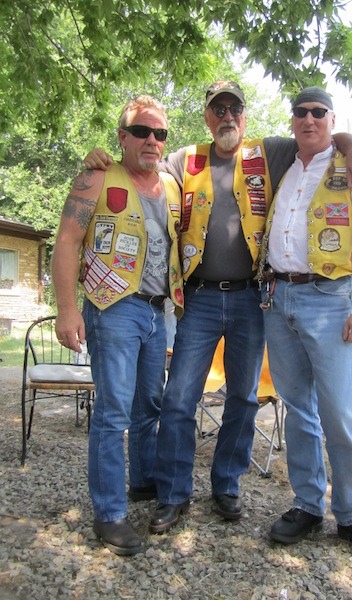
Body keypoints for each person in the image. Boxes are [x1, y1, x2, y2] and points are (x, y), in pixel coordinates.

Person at [84, 80, 352, 534]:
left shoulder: (270, 152)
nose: (226, 117)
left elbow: (317, 134)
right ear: (207, 117)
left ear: (244, 114)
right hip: (198, 299)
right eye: (218, 109)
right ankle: (173, 493)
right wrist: (99, 159)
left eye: (234, 109)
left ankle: (226, 486)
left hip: (251, 299)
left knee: (243, 397)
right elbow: (141, 162)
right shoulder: (185, 159)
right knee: (179, 397)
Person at [258, 87, 352, 559]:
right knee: (298, 407)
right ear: (292, 120)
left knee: (338, 409)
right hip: (277, 297)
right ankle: (307, 505)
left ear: (333, 120)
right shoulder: (282, 165)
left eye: (319, 112)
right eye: (301, 112)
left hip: (329, 299)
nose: (309, 119)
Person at [51, 95, 184, 555]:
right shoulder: (96, 176)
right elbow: (67, 241)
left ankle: (143, 482)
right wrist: (66, 309)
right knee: (113, 412)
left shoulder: (171, 187)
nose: (152, 140)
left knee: (150, 404)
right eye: (142, 131)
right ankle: (108, 514)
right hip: (113, 308)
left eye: (160, 133)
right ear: (123, 137)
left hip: (157, 311)